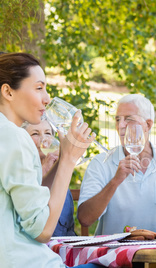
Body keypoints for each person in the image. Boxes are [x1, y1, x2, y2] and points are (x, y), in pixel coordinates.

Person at [0, 52, 100, 267]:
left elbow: (25, 206)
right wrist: (68, 160)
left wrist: (64, 157)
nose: (46, 98)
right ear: (8, 91)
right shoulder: (14, 136)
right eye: (39, 88)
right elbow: (43, 230)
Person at [77, 94, 156, 234]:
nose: (120, 125)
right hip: (114, 253)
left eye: (129, 119)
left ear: (148, 125)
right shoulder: (100, 163)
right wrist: (116, 181)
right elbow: (85, 219)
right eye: (118, 119)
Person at [23, 119, 76, 236]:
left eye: (48, 133)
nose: (44, 140)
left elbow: (69, 230)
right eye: (35, 134)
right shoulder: (21, 173)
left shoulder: (61, 172)